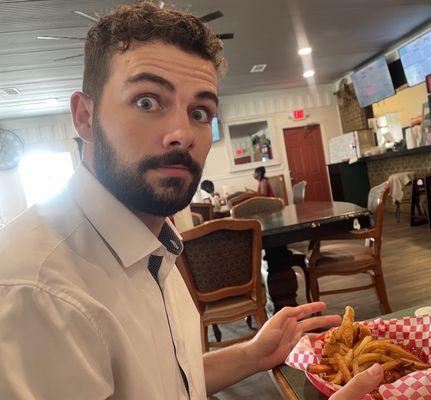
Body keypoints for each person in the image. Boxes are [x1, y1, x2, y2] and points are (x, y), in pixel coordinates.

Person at [0, 2, 382, 399]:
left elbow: (163, 380)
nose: (183, 134)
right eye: (147, 101)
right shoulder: (37, 293)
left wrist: (253, 354)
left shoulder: (155, 246)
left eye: (200, 111)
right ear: (84, 117)